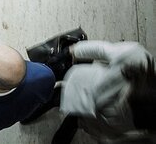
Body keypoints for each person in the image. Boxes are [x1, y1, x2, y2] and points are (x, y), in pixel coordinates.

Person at [26, 40, 156, 143]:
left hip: (97, 123)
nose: (121, 104)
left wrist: (116, 139)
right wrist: (72, 51)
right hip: (82, 87)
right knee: (55, 97)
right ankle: (35, 109)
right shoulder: (137, 57)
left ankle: (70, 125)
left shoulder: (148, 123)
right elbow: (102, 49)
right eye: (127, 100)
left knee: (73, 123)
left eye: (128, 111)